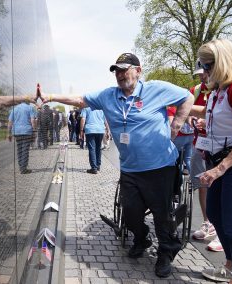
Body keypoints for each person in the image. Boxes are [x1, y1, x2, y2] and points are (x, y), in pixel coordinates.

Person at [37, 52, 194, 278]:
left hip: (160, 167)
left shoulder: (155, 89)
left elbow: (187, 97)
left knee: (162, 214)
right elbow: (80, 100)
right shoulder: (109, 96)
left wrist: (177, 123)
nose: (120, 75)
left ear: (138, 71)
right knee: (130, 212)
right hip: (130, 168)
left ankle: (166, 253)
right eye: (117, 71)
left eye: (125, 69)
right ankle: (142, 238)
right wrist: (50, 96)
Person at [190, 39, 232, 284]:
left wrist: (220, 167)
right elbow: (209, 112)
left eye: (207, 65)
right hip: (221, 163)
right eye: (201, 64)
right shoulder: (219, 90)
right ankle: (230, 267)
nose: (204, 70)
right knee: (215, 214)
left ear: (223, 63)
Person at [189, 59, 223, 252]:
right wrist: (192, 118)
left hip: (221, 148)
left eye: (205, 71)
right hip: (200, 145)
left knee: (221, 188)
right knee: (203, 184)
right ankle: (208, 222)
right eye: (200, 72)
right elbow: (191, 112)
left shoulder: (225, 88)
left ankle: (221, 232)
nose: (202, 75)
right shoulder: (195, 90)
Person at [7, 102, 37, 174]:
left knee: (19, 149)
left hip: (17, 132)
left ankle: (21, 166)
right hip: (27, 131)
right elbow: (32, 120)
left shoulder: (15, 109)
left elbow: (10, 122)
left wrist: (8, 133)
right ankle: (23, 169)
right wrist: (34, 130)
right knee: (25, 150)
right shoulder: (30, 108)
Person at [80, 107, 108, 174]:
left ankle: (94, 168)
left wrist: (81, 130)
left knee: (92, 148)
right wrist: (108, 130)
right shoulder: (101, 108)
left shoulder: (86, 108)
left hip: (90, 130)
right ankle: (98, 166)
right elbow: (106, 120)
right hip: (100, 130)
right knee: (98, 148)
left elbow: (83, 119)